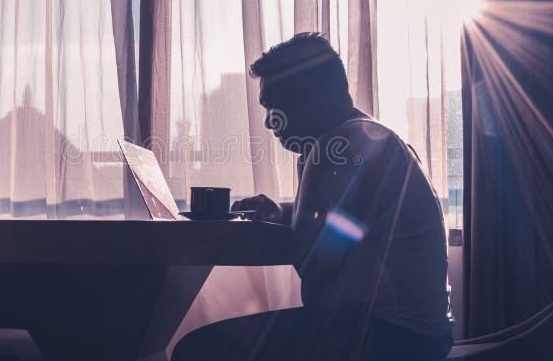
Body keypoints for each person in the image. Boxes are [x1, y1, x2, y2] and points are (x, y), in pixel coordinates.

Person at [172, 33, 452, 361]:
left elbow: (314, 262)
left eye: (274, 104)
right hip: (422, 336)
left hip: (385, 337)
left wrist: (296, 220)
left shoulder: (334, 147)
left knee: (197, 350)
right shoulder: (372, 135)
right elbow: (347, 220)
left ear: (310, 95)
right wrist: (283, 211)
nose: (268, 121)